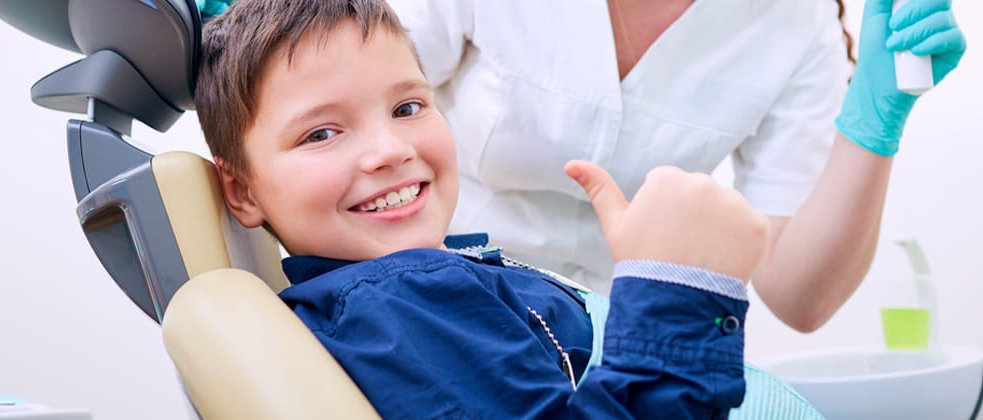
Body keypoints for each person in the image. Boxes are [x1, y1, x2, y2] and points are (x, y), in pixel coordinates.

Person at [193, 0, 823, 418]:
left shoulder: (405, 292)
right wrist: (679, 290)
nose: (389, 150)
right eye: (321, 133)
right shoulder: (408, 301)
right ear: (241, 190)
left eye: (409, 107)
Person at [389, 0, 966, 332]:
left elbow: (799, 294)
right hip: (433, 298)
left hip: (611, 340)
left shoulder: (795, 19)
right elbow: (352, 113)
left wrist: (873, 122)